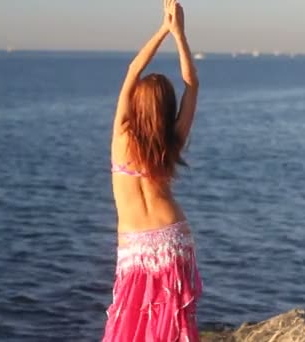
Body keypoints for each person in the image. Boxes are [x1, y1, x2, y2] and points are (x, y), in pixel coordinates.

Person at [103, 0, 202, 341]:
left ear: (137, 103)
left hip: (135, 244)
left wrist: (163, 28)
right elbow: (192, 84)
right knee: (171, 325)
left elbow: (132, 71)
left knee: (132, 323)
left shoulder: (121, 135)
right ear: (167, 108)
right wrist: (181, 35)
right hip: (173, 235)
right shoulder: (171, 140)